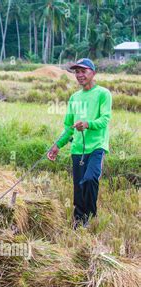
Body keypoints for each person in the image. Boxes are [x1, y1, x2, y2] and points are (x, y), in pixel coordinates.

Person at [47, 58, 112, 228]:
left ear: (93, 73)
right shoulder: (74, 98)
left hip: (97, 146)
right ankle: (78, 220)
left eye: (83, 71)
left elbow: (105, 119)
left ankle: (90, 217)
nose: (80, 75)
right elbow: (69, 127)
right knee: (78, 186)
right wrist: (57, 145)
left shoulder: (103, 94)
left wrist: (88, 124)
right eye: (77, 72)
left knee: (90, 179)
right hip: (77, 148)